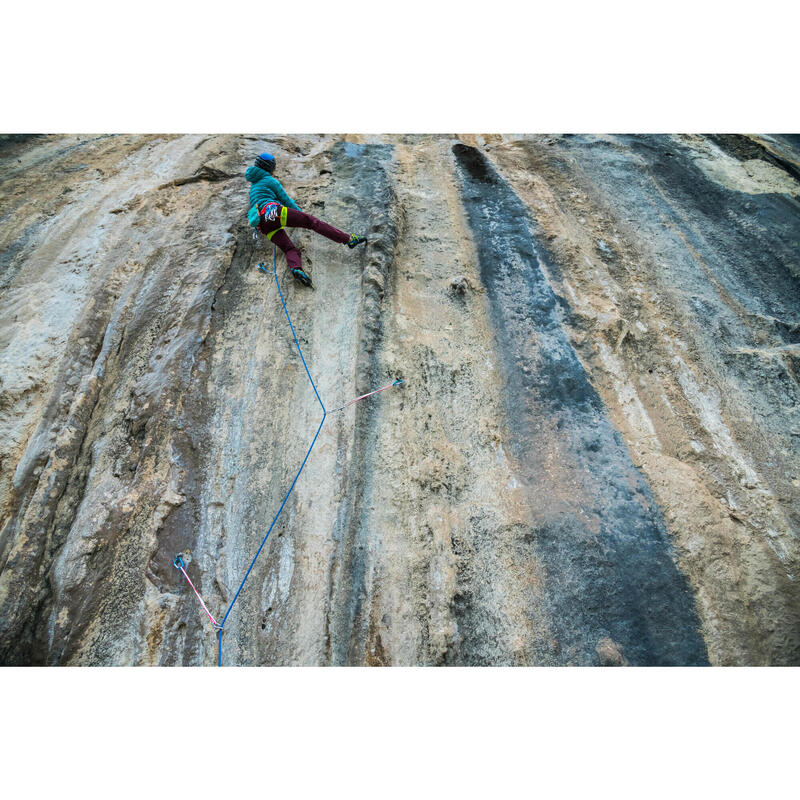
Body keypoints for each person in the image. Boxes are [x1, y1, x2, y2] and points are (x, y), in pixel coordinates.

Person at [245, 152, 366, 287]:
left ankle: (296, 269)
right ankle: (348, 239)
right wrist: (301, 215)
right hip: (273, 212)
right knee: (312, 222)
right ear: (270, 167)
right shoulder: (270, 181)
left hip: (263, 226)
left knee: (290, 249)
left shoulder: (253, 187)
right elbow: (286, 200)